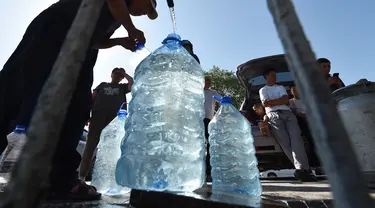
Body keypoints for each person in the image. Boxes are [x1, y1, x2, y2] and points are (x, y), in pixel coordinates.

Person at [0, 0, 158, 201]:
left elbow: (96, 41)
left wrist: (119, 41)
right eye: (146, 7)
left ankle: (59, 177)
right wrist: (131, 29)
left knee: (77, 104)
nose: (144, 13)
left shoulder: (116, 20)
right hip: (54, 29)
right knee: (19, 87)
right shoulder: (118, 8)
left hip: (83, 48)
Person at [259, 68, 315, 182]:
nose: (275, 77)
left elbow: (285, 101)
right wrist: (278, 100)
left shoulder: (280, 87)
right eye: (272, 75)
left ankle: (302, 169)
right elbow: (265, 103)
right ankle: (304, 170)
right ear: (266, 77)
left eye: (275, 75)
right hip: (273, 116)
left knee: (297, 141)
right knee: (285, 144)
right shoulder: (263, 90)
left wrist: (273, 101)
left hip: (288, 114)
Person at [79, 68, 133, 181]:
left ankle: (109, 180)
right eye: (116, 73)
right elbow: (92, 99)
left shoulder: (122, 87)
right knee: (90, 146)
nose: (117, 75)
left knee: (112, 148)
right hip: (97, 118)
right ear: (111, 74)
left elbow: (132, 84)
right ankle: (82, 177)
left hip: (114, 122)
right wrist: (86, 115)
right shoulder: (102, 85)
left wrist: (125, 74)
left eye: (120, 74)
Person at [289, 84, 321, 168]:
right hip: (301, 121)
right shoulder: (291, 102)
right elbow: (292, 112)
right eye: (293, 90)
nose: (296, 92)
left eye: (297, 90)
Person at [203, 76, 220, 182]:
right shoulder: (196, 92)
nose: (207, 83)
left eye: (209, 82)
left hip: (208, 120)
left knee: (210, 145)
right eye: (205, 81)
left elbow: (221, 100)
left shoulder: (213, 92)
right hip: (197, 121)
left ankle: (209, 172)